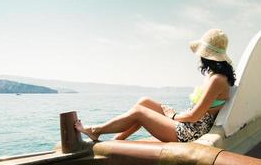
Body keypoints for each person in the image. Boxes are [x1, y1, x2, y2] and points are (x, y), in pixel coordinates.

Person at [74, 29, 236, 142]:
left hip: (191, 131)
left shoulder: (217, 80)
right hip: (189, 123)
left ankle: (95, 130)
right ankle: (118, 139)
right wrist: (174, 115)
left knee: (139, 112)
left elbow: (194, 116)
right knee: (144, 102)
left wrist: (172, 115)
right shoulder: (214, 75)